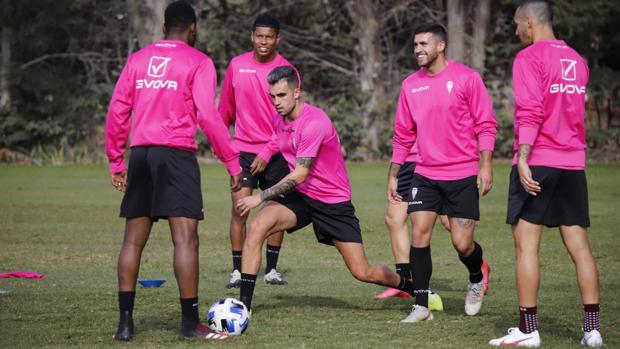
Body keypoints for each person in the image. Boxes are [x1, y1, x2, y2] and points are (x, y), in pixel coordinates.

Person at [105, 0, 240, 341]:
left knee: (133, 241)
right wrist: (232, 161)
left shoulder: (138, 59)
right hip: (176, 155)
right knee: (186, 239)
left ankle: (125, 324)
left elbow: (118, 109)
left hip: (141, 154)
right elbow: (208, 117)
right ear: (193, 29)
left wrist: (116, 160)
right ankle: (189, 324)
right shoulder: (199, 61)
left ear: (164, 27)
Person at [234, 66, 416, 315]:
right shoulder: (280, 117)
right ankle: (243, 307)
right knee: (257, 229)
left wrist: (260, 197)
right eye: (273, 96)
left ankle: (412, 288)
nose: (276, 102)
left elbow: (300, 173)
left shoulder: (314, 122)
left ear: (297, 92)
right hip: (301, 195)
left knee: (362, 271)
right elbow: (279, 139)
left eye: (282, 96)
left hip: (332, 201)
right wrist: (265, 153)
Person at [489, 1, 602, 347]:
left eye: (516, 24)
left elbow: (531, 111)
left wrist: (523, 157)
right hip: (572, 164)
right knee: (580, 247)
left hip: (538, 160)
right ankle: (593, 330)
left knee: (526, 248)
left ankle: (528, 330)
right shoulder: (578, 60)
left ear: (528, 21)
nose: (515, 31)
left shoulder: (529, 58)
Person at [391, 22, 497, 323]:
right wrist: (394, 171)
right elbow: (402, 133)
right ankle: (421, 305)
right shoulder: (410, 85)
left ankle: (476, 276)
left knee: (462, 244)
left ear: (441, 46)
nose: (418, 50)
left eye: (424, 44)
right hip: (424, 174)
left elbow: (486, 124)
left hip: (462, 175)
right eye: (415, 45)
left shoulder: (467, 78)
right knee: (419, 234)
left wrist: (485, 164)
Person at [218, 14, 295, 289]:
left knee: (276, 208)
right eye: (259, 36)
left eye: (269, 37)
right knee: (239, 211)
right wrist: (223, 147)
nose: (264, 42)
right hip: (242, 152)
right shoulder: (237, 66)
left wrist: (268, 150)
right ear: (252, 36)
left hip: (276, 152)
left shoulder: (287, 70)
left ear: (278, 39)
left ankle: (272, 270)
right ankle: (238, 272)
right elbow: (224, 109)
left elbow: (291, 119)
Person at [377, 143, 491, 300]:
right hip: (407, 159)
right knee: (393, 219)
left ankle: (478, 263)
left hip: (432, 158)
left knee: (449, 224)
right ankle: (405, 280)